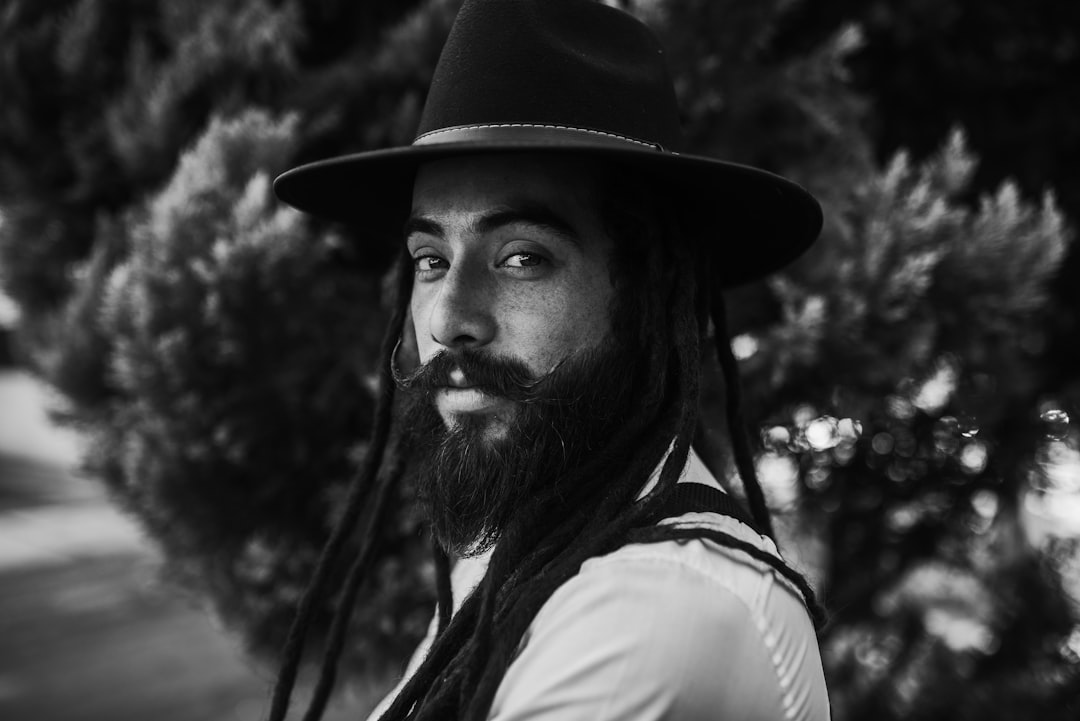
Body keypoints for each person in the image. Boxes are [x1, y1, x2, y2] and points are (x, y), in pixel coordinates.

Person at [269, 0, 830, 719]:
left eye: (522, 257)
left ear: (648, 295)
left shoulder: (649, 613)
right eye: (431, 258)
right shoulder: (532, 539)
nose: (448, 319)